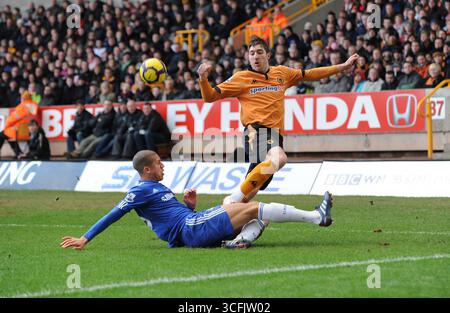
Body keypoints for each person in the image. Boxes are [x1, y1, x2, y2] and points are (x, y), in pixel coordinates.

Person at [60, 150, 333, 250]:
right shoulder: (138, 191)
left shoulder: (157, 188)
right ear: (146, 170)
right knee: (251, 208)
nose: (162, 166)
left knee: (241, 206)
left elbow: (165, 221)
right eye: (158, 163)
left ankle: (239, 242)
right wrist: (86, 237)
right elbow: (114, 214)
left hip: (191, 224)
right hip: (191, 229)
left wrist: (188, 206)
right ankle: (316, 217)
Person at [197, 36, 358, 205]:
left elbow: (310, 74)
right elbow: (209, 97)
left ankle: (228, 209)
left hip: (275, 135)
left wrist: (342, 67)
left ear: (268, 55)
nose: (255, 56)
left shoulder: (282, 73)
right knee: (279, 158)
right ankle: (233, 198)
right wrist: (202, 79)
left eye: (259, 52)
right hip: (255, 131)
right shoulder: (240, 78)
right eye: (251, 53)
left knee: (250, 191)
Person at [0, 91, 39, 159]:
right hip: (26, 128)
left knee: (4, 133)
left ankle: (18, 153)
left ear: (23, 98)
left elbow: (12, 119)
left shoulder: (23, 106)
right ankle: (18, 153)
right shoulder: (34, 104)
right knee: (8, 136)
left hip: (19, 128)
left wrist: (6, 126)